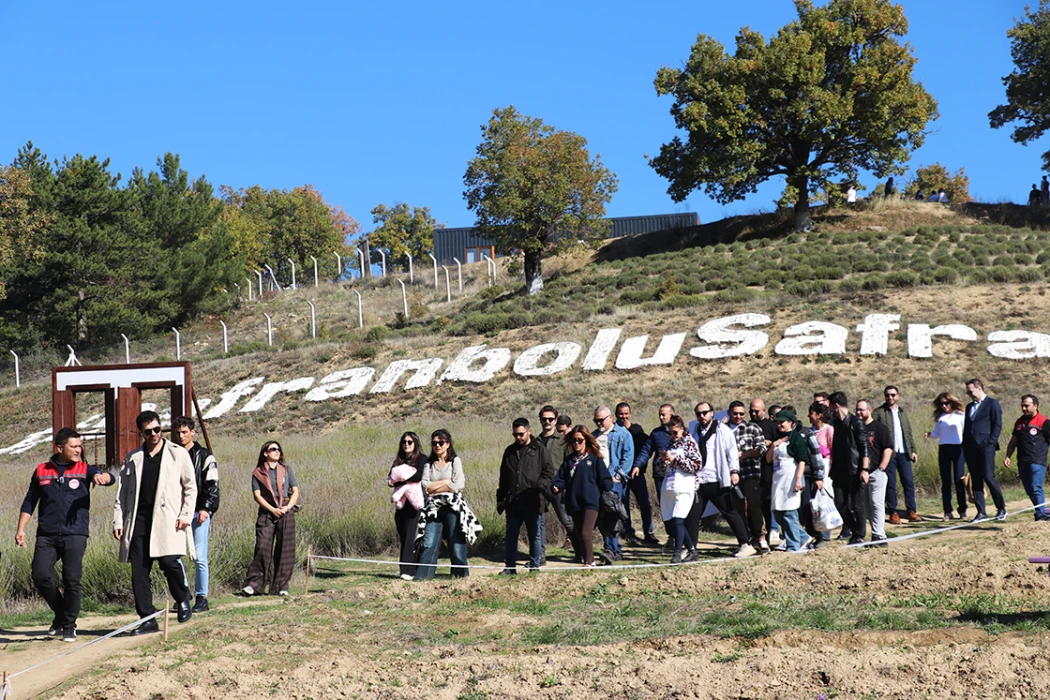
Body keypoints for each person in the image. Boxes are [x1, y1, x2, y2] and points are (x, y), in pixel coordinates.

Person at [16, 428, 114, 642]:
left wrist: (103, 477)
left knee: (72, 580)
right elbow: (30, 500)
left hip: (75, 534)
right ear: (60, 448)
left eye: (80, 446)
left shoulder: (84, 469)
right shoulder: (42, 470)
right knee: (40, 575)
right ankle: (60, 614)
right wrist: (21, 529)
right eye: (74, 446)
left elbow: (108, 476)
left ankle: (69, 625)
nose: (78, 450)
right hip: (47, 534)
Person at [113, 411, 197, 635]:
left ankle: (182, 598)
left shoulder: (177, 454)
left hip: (169, 519)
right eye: (148, 431)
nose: (154, 434)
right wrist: (118, 520)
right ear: (141, 432)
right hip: (138, 520)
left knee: (170, 562)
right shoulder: (133, 458)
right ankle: (148, 618)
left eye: (157, 429)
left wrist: (185, 515)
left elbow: (190, 487)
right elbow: (122, 493)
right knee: (139, 572)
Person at [690, 401, 754, 557]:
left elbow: (732, 452)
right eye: (698, 414)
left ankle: (745, 544)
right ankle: (691, 548)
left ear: (712, 413)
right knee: (692, 515)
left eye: (705, 413)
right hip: (700, 480)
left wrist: (734, 471)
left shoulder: (722, 431)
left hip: (717, 479)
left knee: (729, 512)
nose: (702, 416)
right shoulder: (695, 431)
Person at [415, 430, 481, 579]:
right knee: (429, 542)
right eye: (434, 443)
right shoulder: (428, 464)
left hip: (453, 507)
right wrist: (447, 482)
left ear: (448, 444)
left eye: (440, 442)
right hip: (433, 509)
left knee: (456, 542)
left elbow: (459, 484)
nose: (437, 445)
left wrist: (437, 486)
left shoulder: (455, 461)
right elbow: (425, 486)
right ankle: (423, 577)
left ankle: (460, 577)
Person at [172, 416, 219, 613]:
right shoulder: (171, 455)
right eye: (178, 432)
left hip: (198, 512)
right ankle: (183, 593)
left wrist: (205, 508)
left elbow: (212, 485)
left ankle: (202, 597)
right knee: (174, 556)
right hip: (177, 512)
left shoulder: (205, 455)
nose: (181, 436)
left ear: (193, 432)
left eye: (185, 432)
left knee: (199, 556)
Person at [497, 418, 556, 574]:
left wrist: (539, 487)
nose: (518, 438)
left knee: (534, 535)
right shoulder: (509, 451)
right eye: (515, 434)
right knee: (511, 536)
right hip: (513, 502)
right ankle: (510, 568)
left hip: (533, 501)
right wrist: (500, 498)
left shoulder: (541, 450)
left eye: (521, 434)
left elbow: (549, 473)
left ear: (529, 431)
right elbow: (504, 476)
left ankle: (535, 566)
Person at [242, 441, 300, 596]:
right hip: (267, 512)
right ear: (265, 453)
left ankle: (281, 586)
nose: (277, 451)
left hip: (285, 510)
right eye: (273, 449)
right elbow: (257, 496)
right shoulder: (258, 473)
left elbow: (295, 491)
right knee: (262, 547)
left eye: (278, 449)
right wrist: (272, 509)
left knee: (285, 550)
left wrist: (287, 508)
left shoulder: (287, 470)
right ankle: (254, 585)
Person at [552, 425, 613, 568]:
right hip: (574, 503)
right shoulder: (569, 460)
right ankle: (587, 559)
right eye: (574, 440)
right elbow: (560, 478)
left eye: (580, 440)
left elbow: (605, 479)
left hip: (591, 502)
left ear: (586, 440)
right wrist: (557, 486)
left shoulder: (594, 458)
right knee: (579, 534)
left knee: (586, 534)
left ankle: (589, 562)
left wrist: (608, 488)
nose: (576, 443)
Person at [591, 405, 634, 562]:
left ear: (609, 418)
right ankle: (614, 550)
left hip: (613, 481)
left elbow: (628, 456)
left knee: (612, 515)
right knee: (601, 517)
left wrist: (618, 476)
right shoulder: (593, 436)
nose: (598, 423)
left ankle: (610, 549)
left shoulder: (623, 434)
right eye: (595, 420)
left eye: (601, 420)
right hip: (597, 482)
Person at [873, 386, 920, 523]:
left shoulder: (902, 412)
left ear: (898, 396)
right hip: (889, 454)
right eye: (887, 395)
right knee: (891, 484)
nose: (890, 398)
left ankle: (911, 511)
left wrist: (913, 450)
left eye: (893, 395)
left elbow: (908, 432)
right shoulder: (879, 412)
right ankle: (893, 512)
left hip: (904, 452)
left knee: (908, 482)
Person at [963, 378, 1007, 523]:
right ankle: (981, 512)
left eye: (971, 391)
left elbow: (997, 424)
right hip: (971, 448)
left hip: (986, 447)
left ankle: (1001, 509)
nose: (969, 394)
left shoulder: (992, 403)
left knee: (989, 477)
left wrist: (991, 443)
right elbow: (968, 427)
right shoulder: (969, 407)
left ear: (979, 388)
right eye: (967, 392)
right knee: (976, 480)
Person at [659, 416, 702, 563]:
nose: (673, 436)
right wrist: (663, 459)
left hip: (685, 485)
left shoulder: (689, 443)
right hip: (670, 486)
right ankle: (692, 550)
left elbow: (697, 465)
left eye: (675, 432)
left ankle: (677, 553)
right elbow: (661, 468)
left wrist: (676, 460)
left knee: (679, 519)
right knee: (672, 523)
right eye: (670, 433)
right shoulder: (670, 444)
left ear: (682, 430)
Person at [829, 392, 870, 545]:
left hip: (855, 470)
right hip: (839, 471)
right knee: (839, 503)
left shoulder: (855, 423)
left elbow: (864, 447)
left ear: (836, 405)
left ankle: (859, 535)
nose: (830, 410)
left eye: (831, 406)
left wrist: (864, 469)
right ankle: (854, 530)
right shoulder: (836, 424)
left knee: (857, 505)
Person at [764, 410, 808, 552]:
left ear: (791, 423)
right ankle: (803, 537)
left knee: (789, 513)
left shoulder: (796, 438)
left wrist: (797, 479)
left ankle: (793, 546)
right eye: (778, 422)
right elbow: (768, 459)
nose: (779, 424)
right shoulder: (778, 437)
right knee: (778, 513)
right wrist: (773, 445)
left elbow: (802, 460)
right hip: (778, 480)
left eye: (782, 422)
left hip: (790, 478)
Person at [728, 401, 768, 552]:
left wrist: (743, 455)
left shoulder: (752, 427)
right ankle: (744, 540)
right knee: (737, 509)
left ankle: (761, 537)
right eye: (735, 413)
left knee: (754, 506)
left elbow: (761, 448)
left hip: (750, 472)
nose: (738, 416)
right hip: (730, 475)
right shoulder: (723, 430)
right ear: (729, 413)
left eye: (741, 413)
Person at [633, 404, 676, 545]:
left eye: (664, 414)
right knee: (665, 507)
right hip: (660, 476)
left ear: (672, 414)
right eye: (660, 414)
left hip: (678, 476)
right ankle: (672, 535)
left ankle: (683, 535)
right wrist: (637, 465)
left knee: (679, 505)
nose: (661, 417)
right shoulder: (656, 433)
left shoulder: (682, 432)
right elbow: (646, 451)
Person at [616, 402, 657, 546]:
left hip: (636, 472)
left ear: (630, 414)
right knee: (623, 504)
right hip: (620, 474)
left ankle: (649, 532)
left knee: (644, 503)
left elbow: (645, 447)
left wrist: (630, 429)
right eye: (621, 414)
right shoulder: (613, 430)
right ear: (616, 414)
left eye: (626, 413)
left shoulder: (637, 429)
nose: (624, 416)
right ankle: (628, 532)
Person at [1004, 394, 1050, 522]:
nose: (1023, 408)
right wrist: (1008, 455)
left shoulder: (1044, 422)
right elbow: (1013, 441)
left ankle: (1040, 514)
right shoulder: (1019, 422)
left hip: (1037, 461)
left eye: (1026, 406)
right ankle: (1042, 510)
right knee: (1030, 490)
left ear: (1035, 406)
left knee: (1036, 487)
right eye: (1022, 406)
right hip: (1022, 462)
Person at [387, 432, 426, 580]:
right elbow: (390, 479)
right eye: (404, 442)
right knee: (403, 536)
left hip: (415, 505)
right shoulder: (398, 460)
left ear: (415, 443)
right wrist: (402, 480)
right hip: (401, 506)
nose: (406, 444)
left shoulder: (422, 459)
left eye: (410, 442)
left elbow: (419, 476)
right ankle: (407, 568)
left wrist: (401, 479)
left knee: (412, 536)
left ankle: (408, 571)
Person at [926, 392, 967, 521]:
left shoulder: (961, 416)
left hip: (958, 448)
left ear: (952, 402)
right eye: (941, 404)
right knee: (946, 481)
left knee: (959, 479)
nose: (944, 406)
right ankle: (947, 511)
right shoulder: (941, 418)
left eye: (946, 403)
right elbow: (936, 433)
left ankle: (962, 510)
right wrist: (930, 435)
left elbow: (966, 431)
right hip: (944, 448)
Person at [537, 406, 573, 551]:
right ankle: (540, 555)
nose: (547, 422)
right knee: (539, 522)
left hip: (558, 487)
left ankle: (580, 550)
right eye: (544, 419)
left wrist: (565, 485)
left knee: (567, 520)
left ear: (555, 420)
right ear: (540, 420)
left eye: (550, 419)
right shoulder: (536, 441)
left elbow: (570, 465)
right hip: (540, 488)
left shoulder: (563, 441)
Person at [858, 399, 893, 547]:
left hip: (876, 471)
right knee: (867, 506)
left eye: (861, 410)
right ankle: (874, 534)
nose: (858, 412)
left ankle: (880, 536)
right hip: (861, 473)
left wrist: (882, 468)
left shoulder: (879, 428)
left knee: (876, 503)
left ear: (870, 410)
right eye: (857, 410)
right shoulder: (856, 428)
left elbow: (888, 448)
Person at [749, 399, 780, 547]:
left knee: (770, 502)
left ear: (764, 410)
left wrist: (770, 443)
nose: (754, 414)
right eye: (752, 411)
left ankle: (773, 530)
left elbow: (781, 440)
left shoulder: (772, 426)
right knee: (755, 504)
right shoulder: (747, 426)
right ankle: (757, 534)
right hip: (751, 470)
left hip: (769, 469)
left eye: (757, 411)